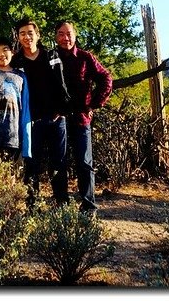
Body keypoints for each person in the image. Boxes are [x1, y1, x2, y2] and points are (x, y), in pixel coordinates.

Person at [10, 16, 70, 206]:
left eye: (30, 33)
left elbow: (61, 84)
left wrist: (61, 110)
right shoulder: (17, 61)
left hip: (56, 119)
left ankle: (62, 205)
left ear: (38, 35)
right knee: (31, 165)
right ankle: (32, 206)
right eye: (22, 34)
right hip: (30, 121)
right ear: (18, 37)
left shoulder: (51, 55)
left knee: (58, 163)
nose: (27, 37)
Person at [54, 19, 112, 213]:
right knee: (58, 163)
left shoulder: (86, 58)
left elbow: (105, 77)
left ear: (75, 35)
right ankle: (61, 205)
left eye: (68, 33)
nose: (65, 38)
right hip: (58, 118)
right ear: (56, 37)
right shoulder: (50, 57)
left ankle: (88, 206)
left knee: (84, 163)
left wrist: (94, 103)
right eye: (61, 34)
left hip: (80, 118)